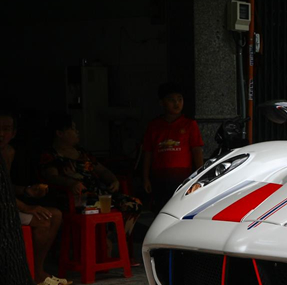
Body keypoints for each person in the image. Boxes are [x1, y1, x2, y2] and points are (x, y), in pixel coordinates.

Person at [39, 115, 142, 236]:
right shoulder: (51, 155)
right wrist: (71, 183)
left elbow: (102, 170)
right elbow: (51, 177)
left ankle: (114, 239)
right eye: (73, 129)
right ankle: (104, 240)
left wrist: (114, 180)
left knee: (134, 204)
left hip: (101, 195)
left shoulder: (82, 153)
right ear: (60, 133)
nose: (77, 132)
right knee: (101, 210)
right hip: (77, 199)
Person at [0, 109, 68, 285]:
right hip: (4, 210)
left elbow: (6, 187)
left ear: (14, 133)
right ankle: (34, 274)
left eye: (6, 129)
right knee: (43, 220)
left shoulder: (9, 152)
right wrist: (26, 207)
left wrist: (28, 192)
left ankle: (38, 269)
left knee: (56, 215)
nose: (1, 133)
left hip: (10, 205)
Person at [142, 83, 204, 211]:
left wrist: (200, 177)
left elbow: (197, 151)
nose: (176, 103)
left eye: (180, 99)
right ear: (161, 103)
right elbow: (147, 153)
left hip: (183, 177)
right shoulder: (154, 126)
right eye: (171, 100)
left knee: (181, 210)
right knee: (161, 210)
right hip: (159, 178)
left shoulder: (190, 125)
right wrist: (145, 178)